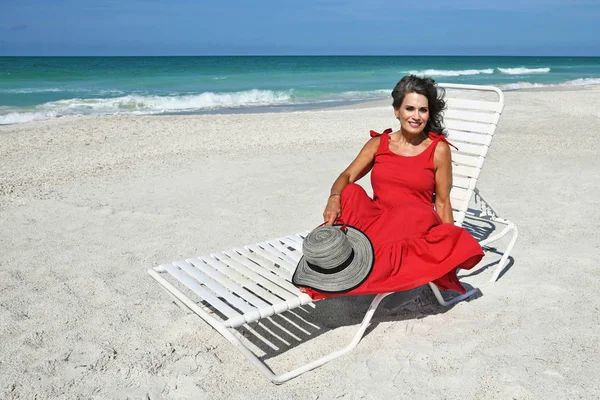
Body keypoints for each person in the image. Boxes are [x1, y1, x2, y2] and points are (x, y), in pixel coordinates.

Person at [297, 75, 484, 300]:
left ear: (429, 113)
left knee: (415, 211)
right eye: (410, 108)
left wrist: (449, 245)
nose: (416, 116)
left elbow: (442, 202)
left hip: (414, 223)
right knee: (351, 192)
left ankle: (351, 269)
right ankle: (341, 258)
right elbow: (347, 176)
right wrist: (334, 197)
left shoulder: (438, 150)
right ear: (397, 111)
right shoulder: (379, 143)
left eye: (423, 110)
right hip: (379, 220)